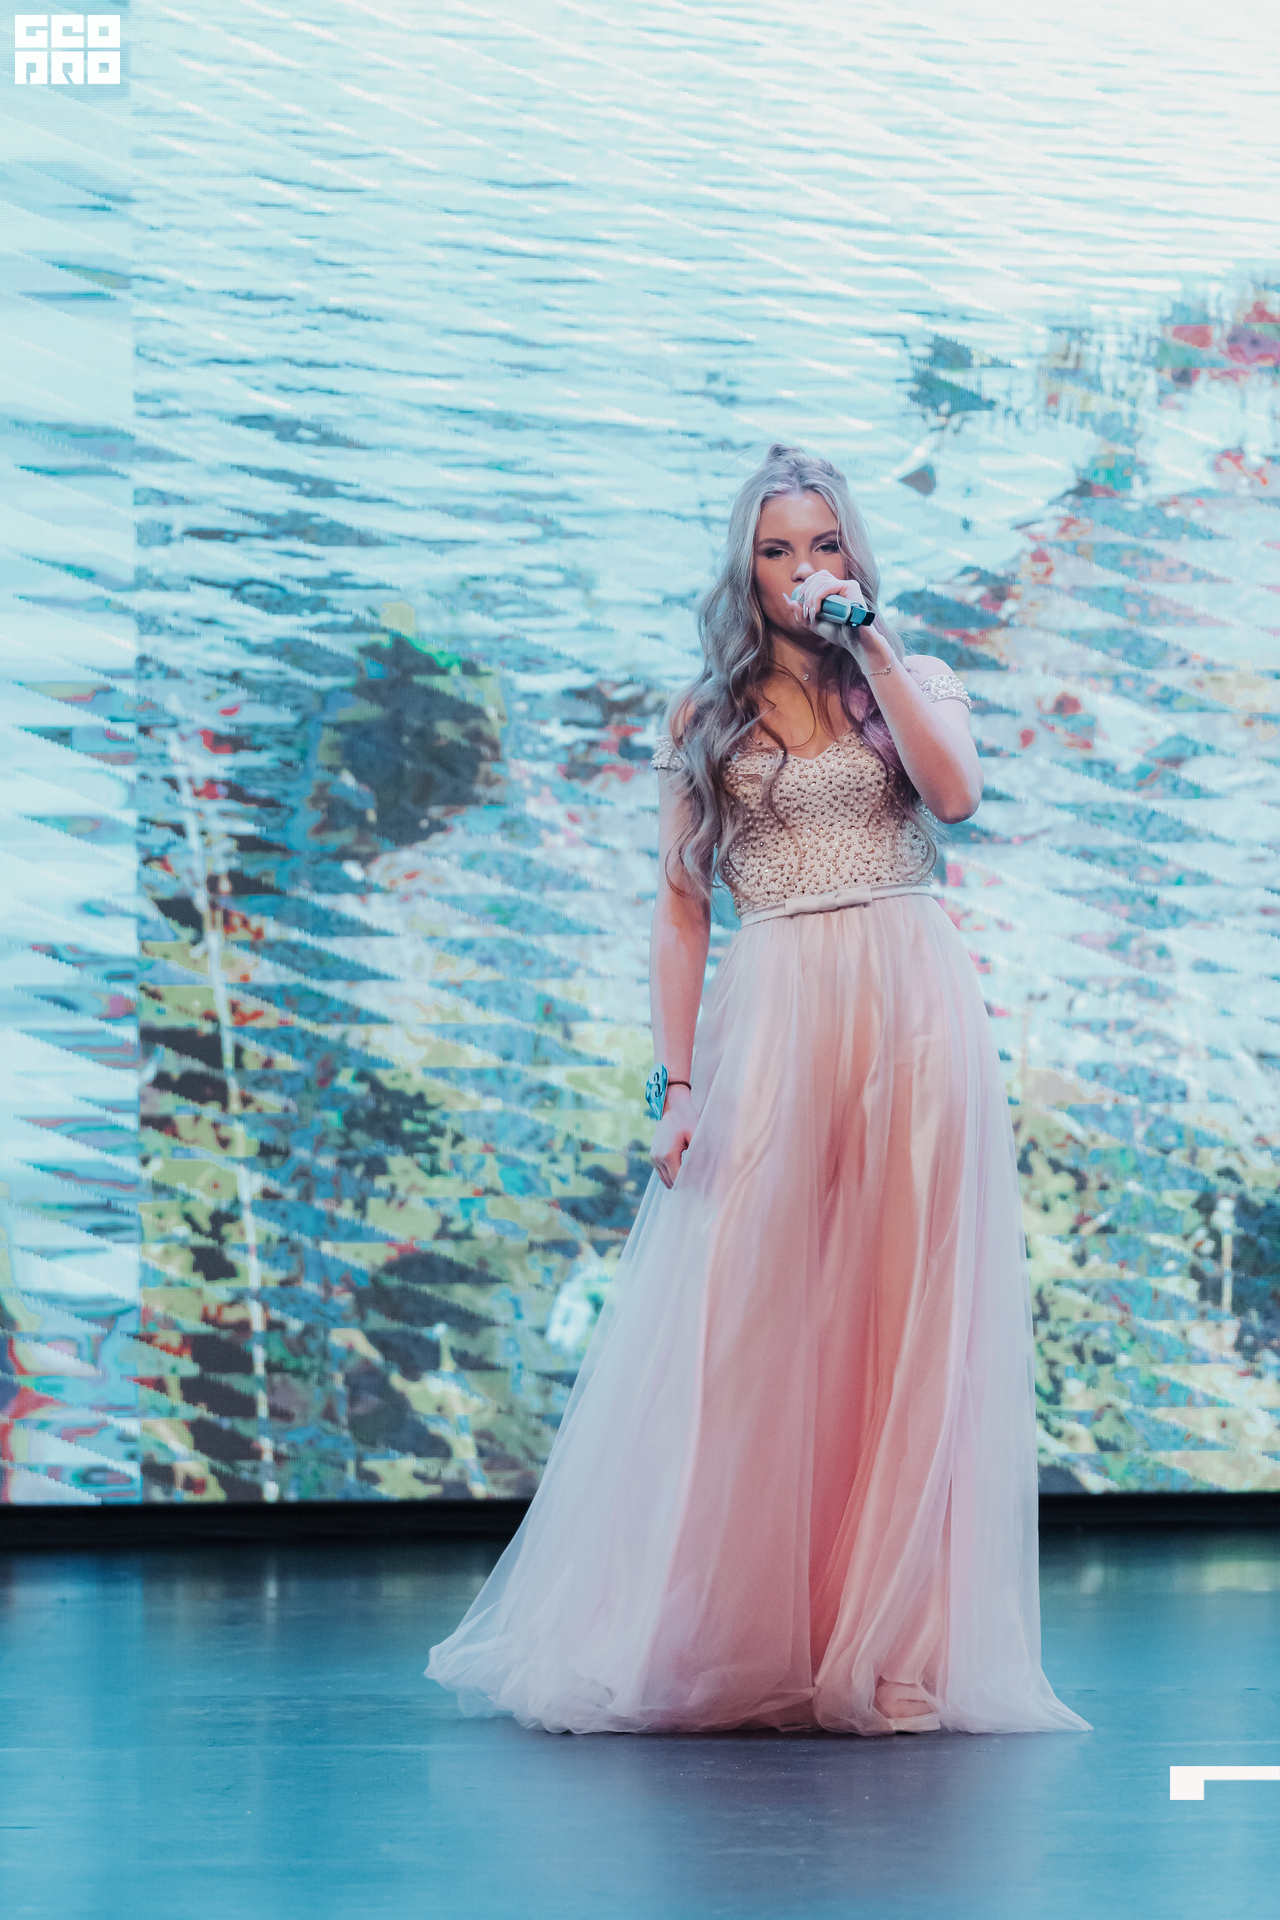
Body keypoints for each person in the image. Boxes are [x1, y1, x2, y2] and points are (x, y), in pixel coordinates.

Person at [426, 444, 1088, 1739]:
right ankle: (736, 1629)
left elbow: (956, 796)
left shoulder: (913, 679)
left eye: (823, 545)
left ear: (854, 556)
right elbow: (681, 912)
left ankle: (887, 1642)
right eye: (777, 551)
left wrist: (875, 646)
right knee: (754, 1315)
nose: (802, 570)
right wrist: (676, 1086)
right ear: (747, 571)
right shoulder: (706, 716)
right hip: (778, 1011)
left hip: (915, 1005)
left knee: (907, 1320)